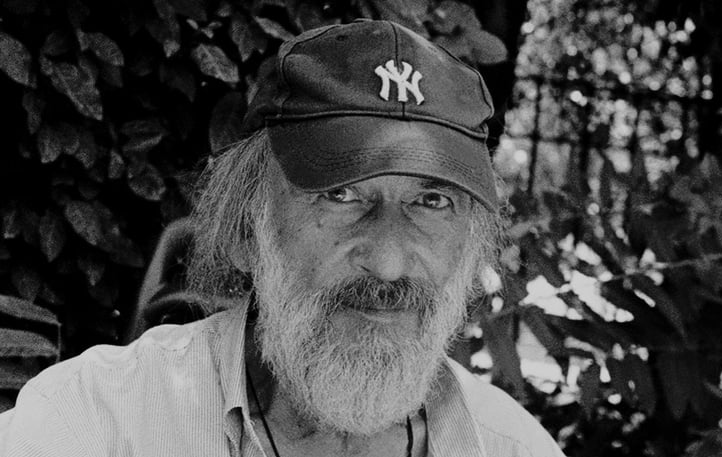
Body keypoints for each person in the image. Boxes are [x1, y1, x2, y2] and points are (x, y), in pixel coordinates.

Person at [0, 20, 565, 457]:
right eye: (341, 194)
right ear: (247, 228)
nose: (389, 263)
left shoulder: (513, 447)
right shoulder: (94, 424)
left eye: (432, 201)